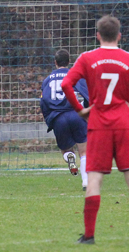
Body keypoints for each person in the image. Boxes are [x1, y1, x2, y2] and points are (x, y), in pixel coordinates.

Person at [61, 15, 129, 245]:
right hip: (124, 123)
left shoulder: (87, 58)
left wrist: (80, 110)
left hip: (98, 124)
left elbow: (67, 84)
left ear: (97, 35)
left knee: (94, 179)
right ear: (119, 35)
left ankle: (89, 236)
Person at [40, 49, 90, 190]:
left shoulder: (47, 80)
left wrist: (50, 119)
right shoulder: (75, 75)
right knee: (84, 152)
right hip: (76, 115)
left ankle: (69, 156)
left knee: (65, 149)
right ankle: (85, 181)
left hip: (58, 118)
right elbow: (87, 95)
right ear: (69, 62)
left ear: (55, 62)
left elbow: (43, 103)